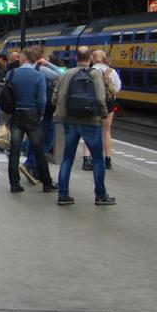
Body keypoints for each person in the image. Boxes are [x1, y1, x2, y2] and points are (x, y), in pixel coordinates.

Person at [53, 46, 115, 206]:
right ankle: (100, 195)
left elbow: (55, 96)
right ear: (91, 59)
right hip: (90, 121)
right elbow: (101, 99)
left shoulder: (66, 73)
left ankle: (63, 195)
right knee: (98, 158)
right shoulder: (96, 74)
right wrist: (103, 114)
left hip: (70, 120)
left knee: (68, 157)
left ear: (75, 58)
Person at [5, 48, 57, 193]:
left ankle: (14, 184)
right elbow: (42, 99)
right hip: (32, 115)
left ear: (23, 58)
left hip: (16, 115)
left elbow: (7, 95)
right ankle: (46, 182)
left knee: (14, 150)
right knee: (39, 150)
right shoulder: (38, 76)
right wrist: (40, 113)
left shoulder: (11, 74)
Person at [84, 49, 120, 170]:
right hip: (108, 104)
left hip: (92, 103)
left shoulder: (89, 70)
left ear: (92, 59)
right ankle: (108, 160)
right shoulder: (111, 71)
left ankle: (86, 159)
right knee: (106, 132)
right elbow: (117, 88)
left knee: (89, 131)